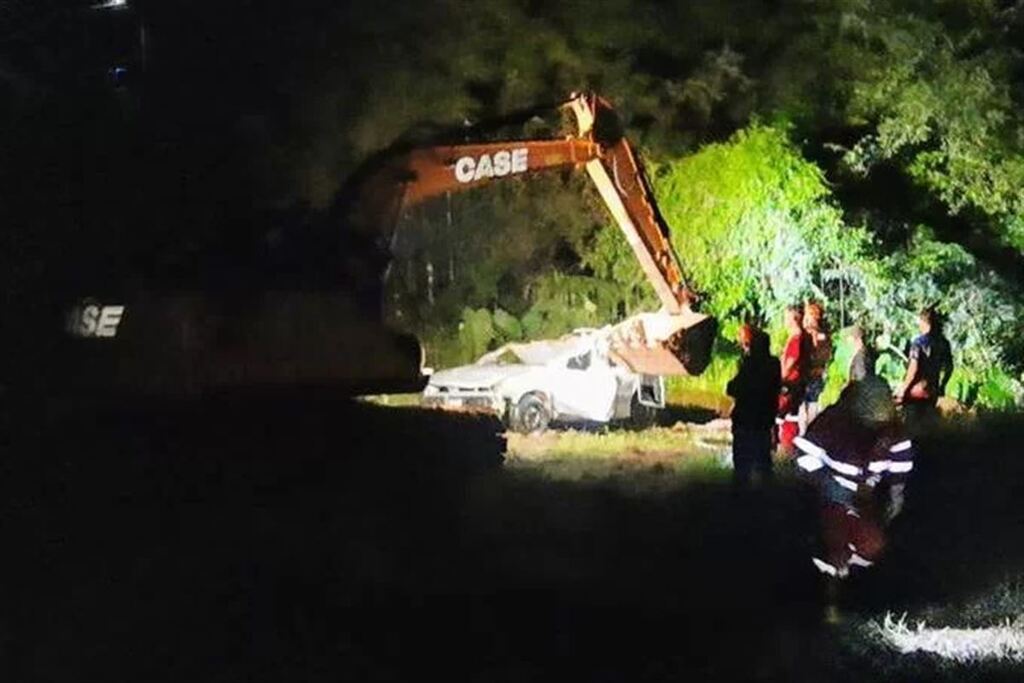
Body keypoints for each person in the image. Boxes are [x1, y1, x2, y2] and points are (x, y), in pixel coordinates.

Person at [793, 377, 914, 619]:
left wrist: (894, 500)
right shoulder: (832, 423)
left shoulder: (893, 433)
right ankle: (829, 602)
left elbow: (900, 471)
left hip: (866, 498)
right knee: (835, 545)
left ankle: (858, 597)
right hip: (826, 492)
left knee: (873, 545)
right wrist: (831, 487)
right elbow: (803, 459)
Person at [726, 324, 781, 488]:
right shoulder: (774, 364)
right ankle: (768, 500)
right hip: (764, 421)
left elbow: (732, 388)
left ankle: (741, 502)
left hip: (746, 420)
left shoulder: (750, 365)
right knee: (764, 465)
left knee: (742, 469)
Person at [896, 307, 953, 429]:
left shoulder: (918, 343)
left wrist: (903, 389)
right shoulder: (944, 343)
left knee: (912, 427)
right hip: (932, 390)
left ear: (923, 322)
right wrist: (942, 386)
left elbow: (913, 370)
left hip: (916, 391)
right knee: (928, 426)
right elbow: (949, 367)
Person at [777, 305, 811, 456]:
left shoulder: (797, 339)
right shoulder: (800, 337)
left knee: (785, 418)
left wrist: (779, 379)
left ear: (794, 319)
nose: (784, 320)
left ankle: (787, 454)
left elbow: (791, 362)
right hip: (794, 385)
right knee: (787, 419)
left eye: (786, 317)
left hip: (790, 386)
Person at [802, 302, 833, 426]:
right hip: (811, 374)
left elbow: (822, 354)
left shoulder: (818, 334)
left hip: (813, 374)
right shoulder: (819, 334)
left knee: (811, 406)